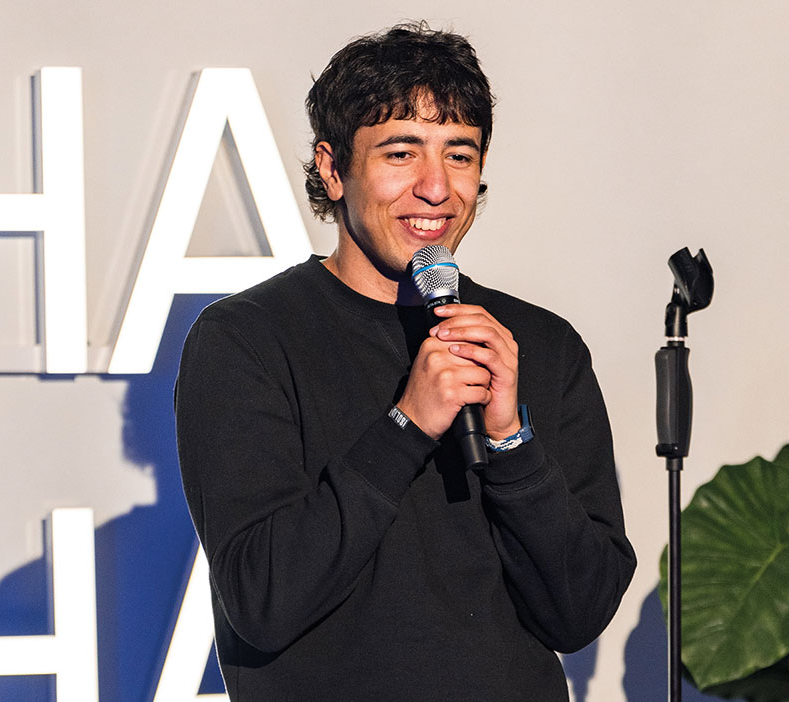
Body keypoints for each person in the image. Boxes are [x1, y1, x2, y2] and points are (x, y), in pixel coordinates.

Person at [175, 22, 635, 701]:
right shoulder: (246, 340)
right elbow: (261, 597)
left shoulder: (541, 344)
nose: (436, 188)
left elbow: (580, 612)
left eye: (459, 155)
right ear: (333, 169)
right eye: (401, 153)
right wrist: (408, 425)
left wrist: (511, 443)